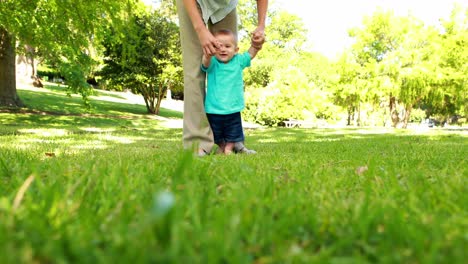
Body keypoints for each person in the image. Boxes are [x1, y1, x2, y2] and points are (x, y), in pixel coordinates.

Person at [176, 0, 268, 156]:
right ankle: (197, 143)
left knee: (229, 58)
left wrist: (261, 26)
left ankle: (233, 142)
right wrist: (200, 30)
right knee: (194, 70)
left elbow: (246, 54)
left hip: (226, 4)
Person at [202, 29, 261, 154]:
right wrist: (207, 55)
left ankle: (229, 148)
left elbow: (250, 54)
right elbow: (205, 64)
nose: (223, 49)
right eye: (219, 46)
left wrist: (256, 46)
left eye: (228, 46)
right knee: (216, 133)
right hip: (214, 108)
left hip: (233, 107)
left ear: (236, 50)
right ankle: (222, 146)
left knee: (234, 131)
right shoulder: (213, 62)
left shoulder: (238, 61)